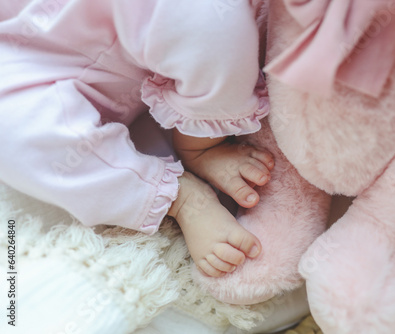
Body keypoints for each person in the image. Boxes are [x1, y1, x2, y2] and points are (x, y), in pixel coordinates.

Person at [0, 0, 272, 277]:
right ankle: (176, 193)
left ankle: (202, 138)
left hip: (129, 28)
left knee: (209, 22)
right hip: (27, 51)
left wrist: (204, 136)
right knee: (13, 134)